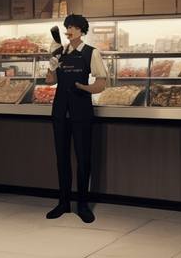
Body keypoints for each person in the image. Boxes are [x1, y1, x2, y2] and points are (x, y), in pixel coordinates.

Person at [45, 14, 107, 223]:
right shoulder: (59, 52)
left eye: (73, 27)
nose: (69, 30)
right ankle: (63, 202)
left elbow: (101, 84)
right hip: (60, 110)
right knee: (61, 158)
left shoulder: (91, 53)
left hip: (81, 109)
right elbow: (50, 81)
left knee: (83, 159)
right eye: (67, 27)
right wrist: (51, 66)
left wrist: (84, 87)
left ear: (81, 30)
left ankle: (83, 204)